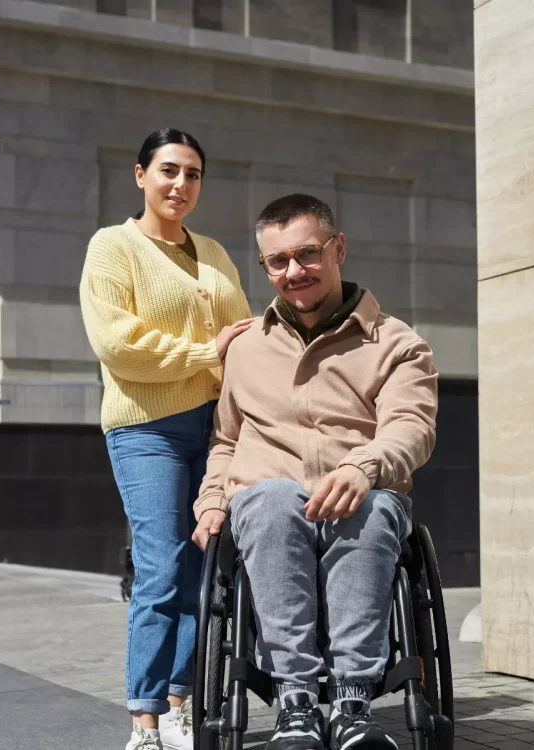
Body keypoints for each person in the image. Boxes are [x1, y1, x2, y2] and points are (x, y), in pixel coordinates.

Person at [192, 194, 438, 750]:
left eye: (306, 254)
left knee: (369, 507)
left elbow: (411, 426)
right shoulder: (246, 348)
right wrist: (212, 502)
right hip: (269, 499)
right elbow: (225, 441)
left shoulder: (398, 344)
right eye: (277, 261)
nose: (293, 271)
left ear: (338, 248)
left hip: (365, 492)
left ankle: (353, 702)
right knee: (274, 500)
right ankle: (296, 701)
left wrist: (363, 465)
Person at [80, 128, 253, 750]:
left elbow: (246, 332)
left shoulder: (213, 252)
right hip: (146, 428)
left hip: (216, 428)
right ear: (140, 175)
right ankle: (145, 722)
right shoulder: (112, 248)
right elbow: (118, 345)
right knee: (160, 568)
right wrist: (207, 352)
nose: (181, 185)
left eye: (194, 174)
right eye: (169, 171)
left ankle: (183, 702)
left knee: (204, 569)